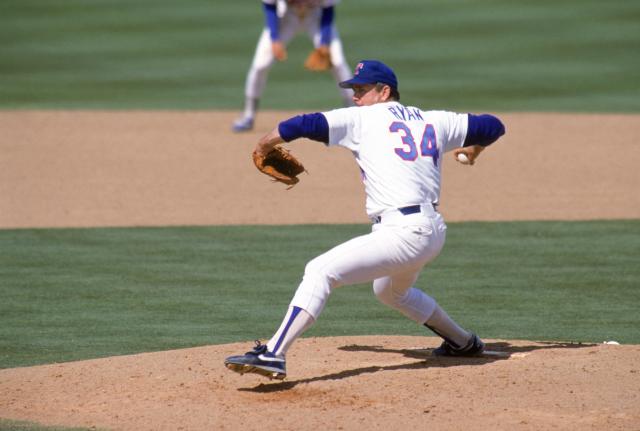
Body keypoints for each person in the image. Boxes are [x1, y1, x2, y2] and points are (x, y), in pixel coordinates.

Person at [225, 60, 506, 380]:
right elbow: (493, 125)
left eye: (362, 89)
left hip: (403, 234)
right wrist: (473, 150)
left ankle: (274, 353)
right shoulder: (435, 120)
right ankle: (463, 342)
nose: (355, 96)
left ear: (384, 91)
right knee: (390, 292)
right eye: (353, 90)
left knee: (320, 270)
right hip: (430, 232)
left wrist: (263, 144)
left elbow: (302, 123)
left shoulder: (363, 118)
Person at [232, 0, 353, 132]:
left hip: (315, 17)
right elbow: (270, 6)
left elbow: (328, 11)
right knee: (260, 65)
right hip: (286, 17)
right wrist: (274, 39)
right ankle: (248, 115)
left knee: (338, 62)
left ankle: (352, 114)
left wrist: (324, 42)